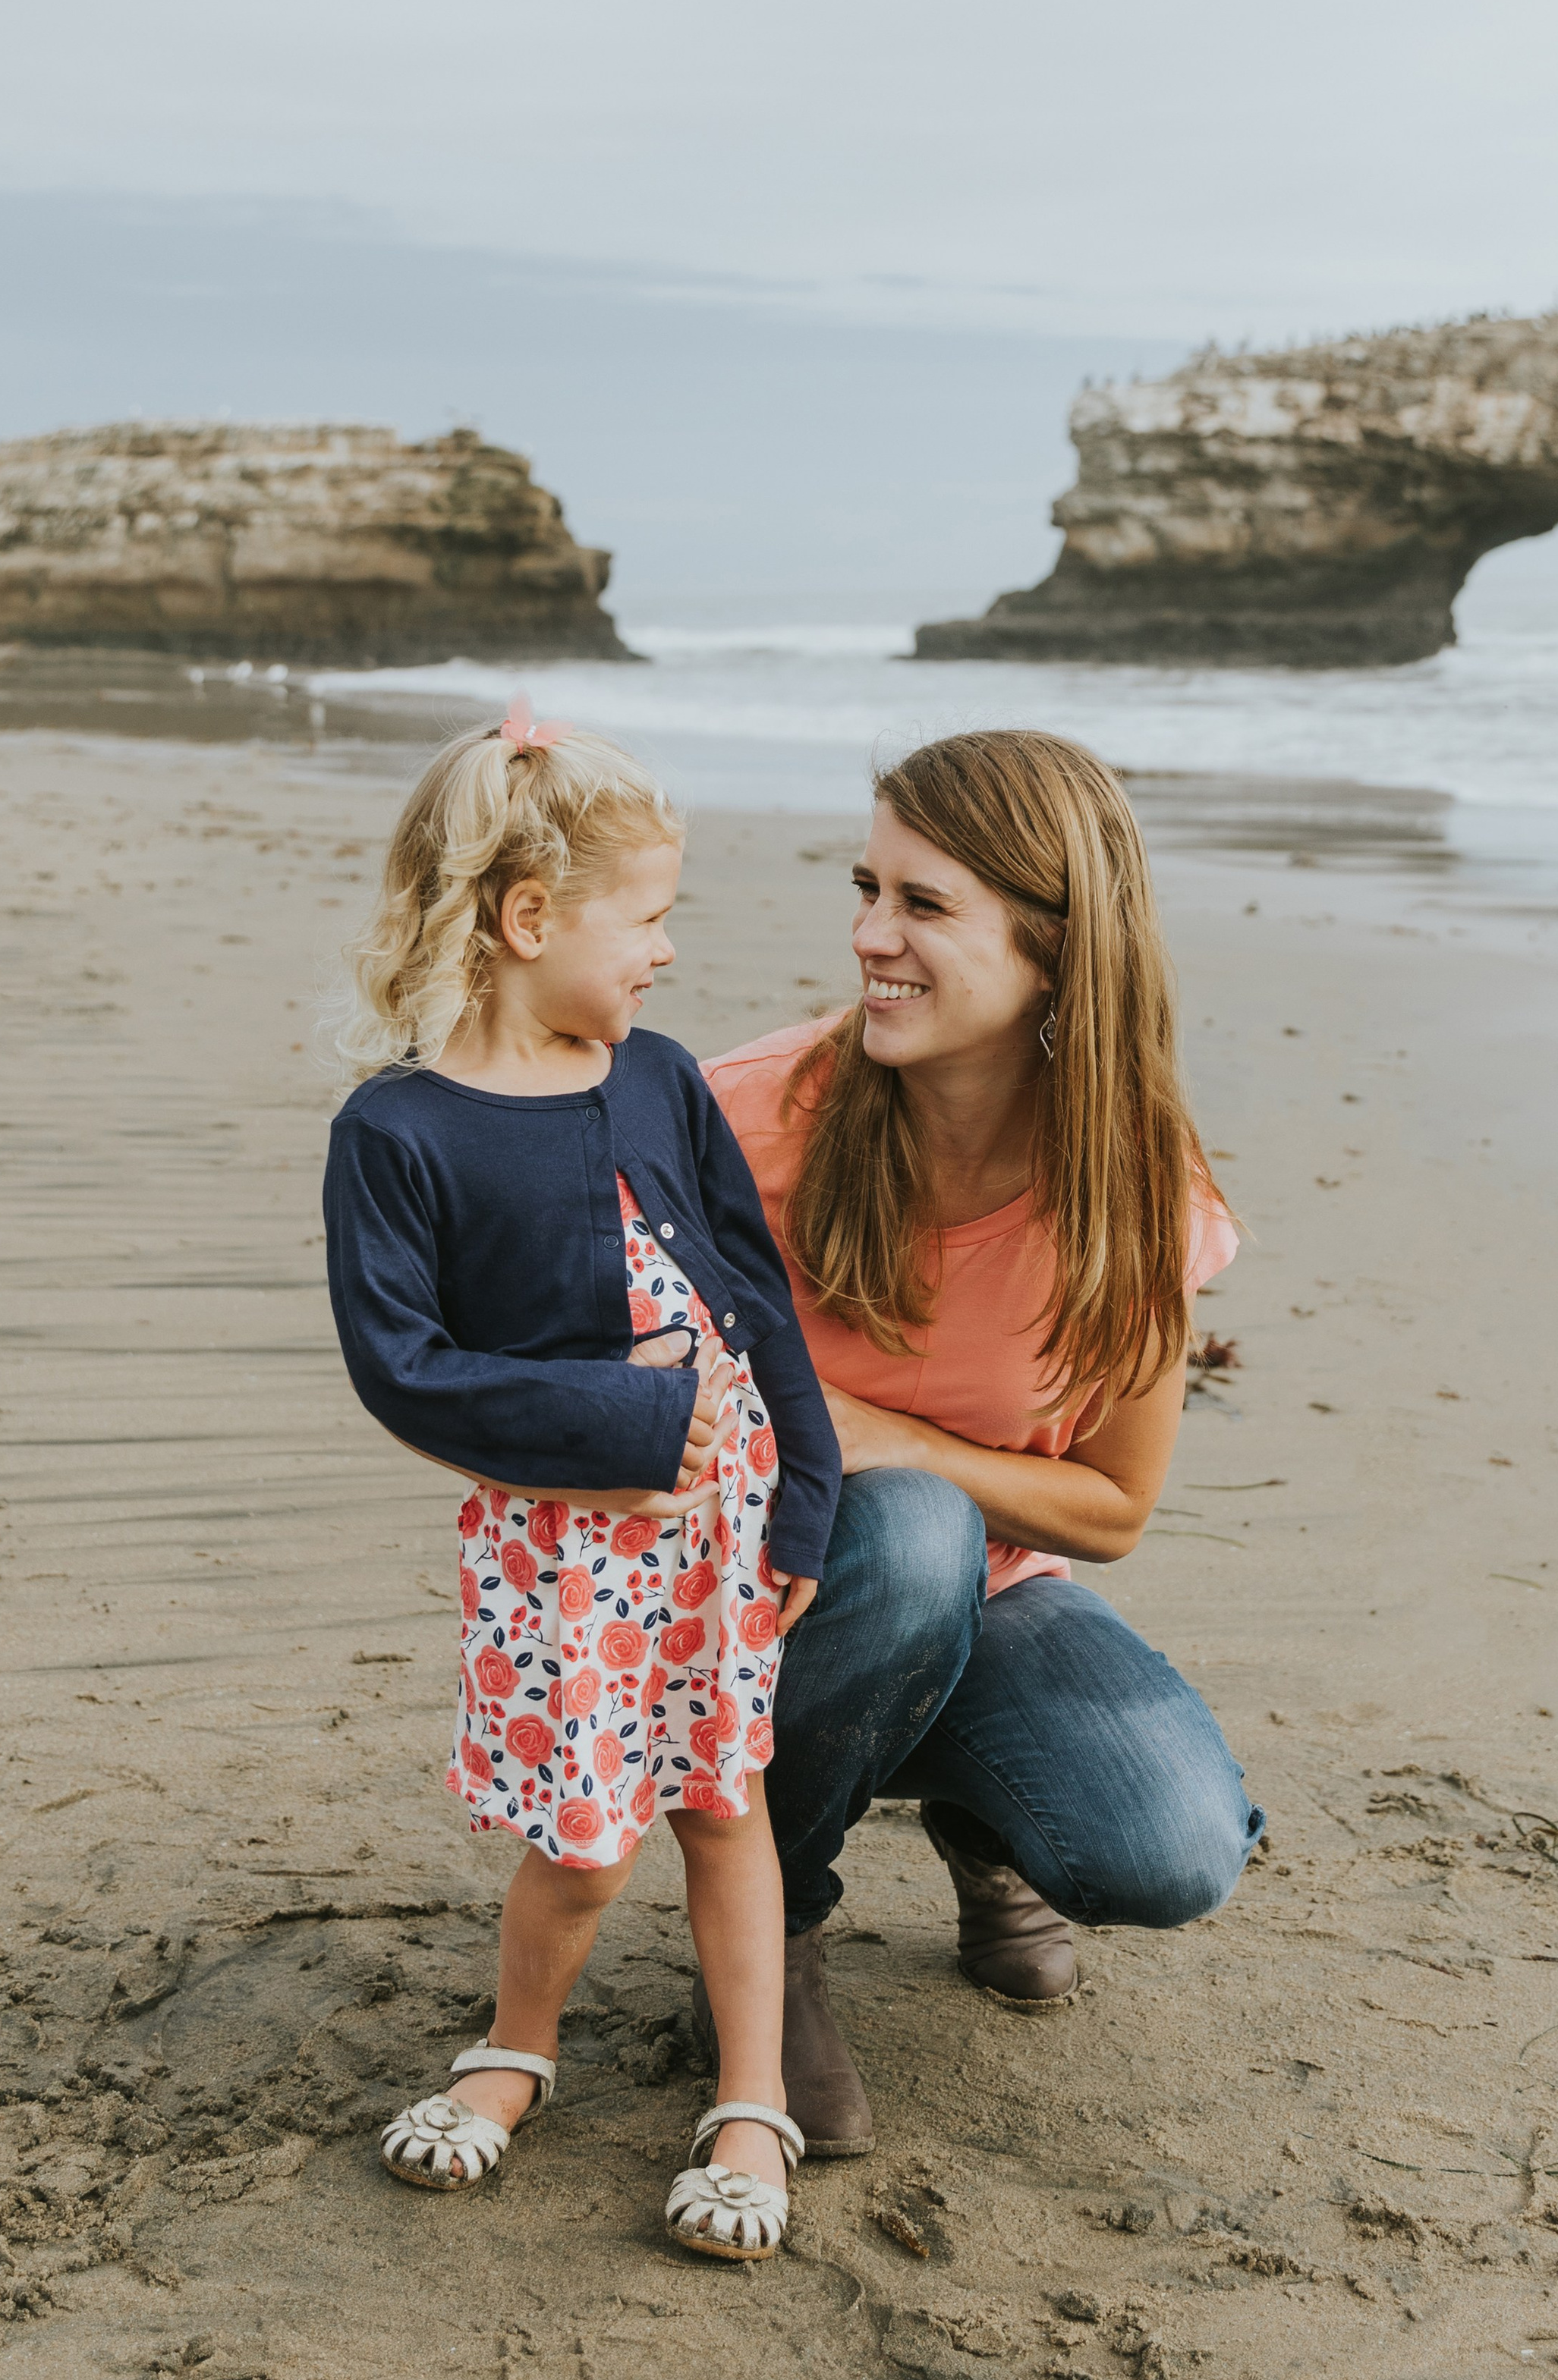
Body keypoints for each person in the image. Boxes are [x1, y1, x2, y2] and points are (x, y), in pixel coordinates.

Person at [322, 702, 839, 2259]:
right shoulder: (398, 1131)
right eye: (648, 916)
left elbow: (755, 1298)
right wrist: (618, 1428)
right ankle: (516, 2049)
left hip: (722, 1531)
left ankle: (751, 2098)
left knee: (727, 1807)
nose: (667, 950)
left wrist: (806, 1492)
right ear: (529, 918)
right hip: (562, 1552)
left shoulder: (659, 1079)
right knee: (586, 1839)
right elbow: (402, 1366)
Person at [702, 728, 1264, 2155]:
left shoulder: (1134, 1185)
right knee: (905, 1535)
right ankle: (774, 1926)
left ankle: (982, 1821)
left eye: (923, 904)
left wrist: (893, 1436)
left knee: (1172, 1850)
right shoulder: (742, 1124)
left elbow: (1113, 1507)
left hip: (996, 1595)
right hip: (752, 1607)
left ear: (1055, 947)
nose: (868, 936)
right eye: (866, 889)